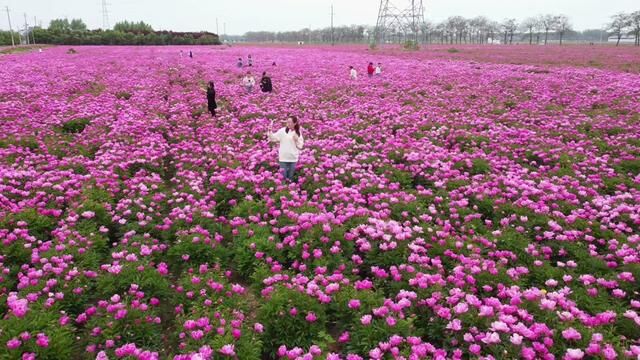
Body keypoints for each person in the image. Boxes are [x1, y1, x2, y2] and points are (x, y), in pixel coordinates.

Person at [268, 116, 304, 182]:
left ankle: (290, 191)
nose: (288, 124)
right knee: (283, 177)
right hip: (283, 158)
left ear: (295, 123)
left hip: (293, 158)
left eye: (290, 122)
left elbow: (300, 146)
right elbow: (273, 138)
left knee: (290, 177)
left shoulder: (298, 133)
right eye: (287, 122)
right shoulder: (282, 131)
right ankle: (283, 191)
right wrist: (270, 131)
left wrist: (296, 140)